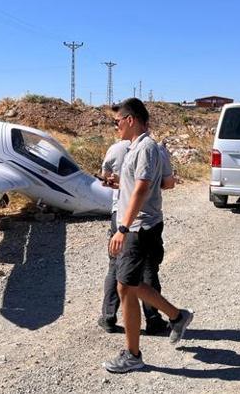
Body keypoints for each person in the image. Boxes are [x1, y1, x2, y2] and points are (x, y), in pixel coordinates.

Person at [102, 98, 193, 374]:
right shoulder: (134, 148)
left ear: (130, 119)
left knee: (125, 286)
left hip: (138, 228)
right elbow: (136, 184)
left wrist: (122, 227)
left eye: (117, 121)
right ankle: (177, 316)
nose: (115, 126)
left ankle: (133, 353)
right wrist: (117, 183)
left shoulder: (146, 148)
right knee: (129, 284)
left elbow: (142, 189)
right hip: (136, 226)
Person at [98, 138, 175, 335]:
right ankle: (153, 319)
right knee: (148, 268)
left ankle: (108, 316)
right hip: (145, 218)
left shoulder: (114, 148)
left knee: (115, 265)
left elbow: (105, 176)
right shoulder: (156, 149)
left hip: (119, 213)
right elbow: (168, 183)